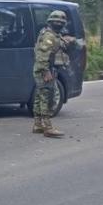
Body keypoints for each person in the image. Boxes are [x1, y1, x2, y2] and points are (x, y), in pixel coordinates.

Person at [32, 10, 74, 138]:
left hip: (44, 68)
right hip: (44, 69)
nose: (59, 24)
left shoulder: (51, 34)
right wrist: (46, 71)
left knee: (40, 96)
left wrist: (66, 41)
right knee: (47, 97)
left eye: (60, 22)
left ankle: (38, 124)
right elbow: (42, 55)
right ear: (51, 22)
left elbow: (57, 46)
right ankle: (47, 127)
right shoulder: (49, 36)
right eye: (57, 22)